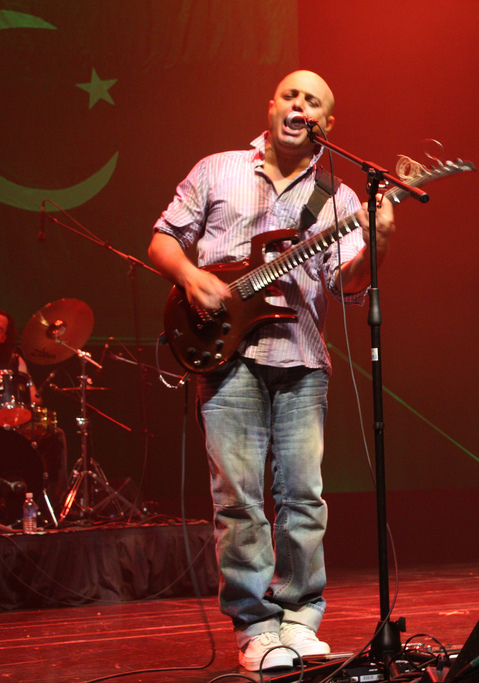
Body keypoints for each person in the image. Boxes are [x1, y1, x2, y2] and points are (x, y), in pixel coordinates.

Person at [148, 70, 396, 672]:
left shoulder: (338, 198)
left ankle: (300, 621)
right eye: (291, 95)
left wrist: (379, 243)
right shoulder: (217, 170)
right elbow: (161, 240)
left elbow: (346, 286)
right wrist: (192, 277)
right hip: (225, 355)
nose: (299, 106)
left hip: (301, 359)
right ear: (271, 106)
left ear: (327, 124)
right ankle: (256, 629)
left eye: (313, 102)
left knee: (303, 499)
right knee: (238, 500)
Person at [0, 309, 68, 518]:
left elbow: (34, 398)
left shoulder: (15, 361)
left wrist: (25, 401)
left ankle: (52, 508)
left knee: (56, 434)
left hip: (14, 423)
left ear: (4, 336)